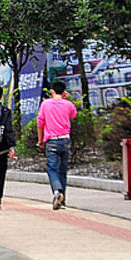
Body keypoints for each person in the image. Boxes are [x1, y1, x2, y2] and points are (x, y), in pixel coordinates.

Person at [37, 80, 77, 210]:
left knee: (52, 168)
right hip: (65, 140)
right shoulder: (68, 104)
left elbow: (40, 123)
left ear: (52, 91)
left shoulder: (45, 104)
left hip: (51, 140)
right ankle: (63, 201)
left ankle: (57, 191)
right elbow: (74, 115)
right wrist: (68, 98)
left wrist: (40, 140)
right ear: (64, 91)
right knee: (63, 171)